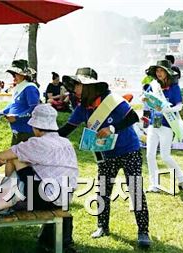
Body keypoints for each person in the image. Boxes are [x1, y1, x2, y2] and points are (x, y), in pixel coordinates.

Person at [59, 67, 151, 248]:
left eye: (77, 85)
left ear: (89, 87)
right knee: (103, 190)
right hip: (106, 154)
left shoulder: (113, 101)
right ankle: (102, 226)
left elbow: (133, 117)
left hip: (128, 150)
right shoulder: (82, 108)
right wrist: (45, 136)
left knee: (135, 189)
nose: (74, 90)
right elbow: (66, 130)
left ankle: (143, 231)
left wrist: (112, 128)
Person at [0, 104, 78, 253]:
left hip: (46, 199)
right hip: (66, 197)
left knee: (14, 159)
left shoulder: (37, 143)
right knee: (24, 161)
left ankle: (6, 197)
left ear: (35, 127)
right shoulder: (65, 142)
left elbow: (2, 156)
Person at [143, 60, 183, 193]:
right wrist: (144, 99)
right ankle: (154, 184)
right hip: (153, 124)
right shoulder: (153, 86)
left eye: (161, 70)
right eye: (157, 71)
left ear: (167, 72)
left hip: (167, 125)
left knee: (165, 156)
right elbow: (147, 98)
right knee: (149, 155)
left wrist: (168, 110)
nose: (159, 73)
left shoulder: (174, 88)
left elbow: (179, 105)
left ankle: (180, 177)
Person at [2, 59, 40, 145]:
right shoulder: (19, 87)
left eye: (15, 74)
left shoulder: (30, 88)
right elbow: (14, 104)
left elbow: (34, 108)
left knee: (24, 157)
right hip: (18, 130)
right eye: (13, 74)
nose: (13, 77)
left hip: (27, 130)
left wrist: (17, 117)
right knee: (14, 155)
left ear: (23, 75)